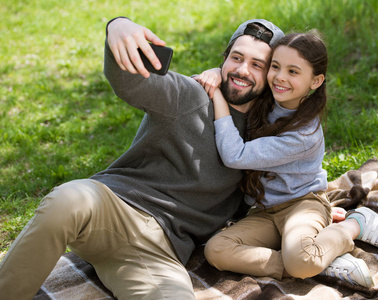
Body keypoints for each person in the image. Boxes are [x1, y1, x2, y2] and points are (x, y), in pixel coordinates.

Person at [0, 18, 285, 300]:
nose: (242, 70)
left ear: (272, 74)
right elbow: (129, 81)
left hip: (159, 253)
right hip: (112, 208)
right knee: (67, 200)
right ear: (224, 60)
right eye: (236, 57)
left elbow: (282, 190)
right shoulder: (189, 95)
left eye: (257, 64)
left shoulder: (265, 139)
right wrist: (118, 26)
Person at [195, 31, 378, 289]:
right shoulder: (266, 99)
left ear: (316, 81)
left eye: (293, 72)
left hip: (302, 204)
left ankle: (354, 226)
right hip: (264, 211)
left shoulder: (304, 134)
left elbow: (235, 155)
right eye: (275, 67)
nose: (280, 77)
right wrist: (216, 72)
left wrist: (217, 94)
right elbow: (241, 74)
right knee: (217, 250)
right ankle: (317, 262)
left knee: (301, 260)